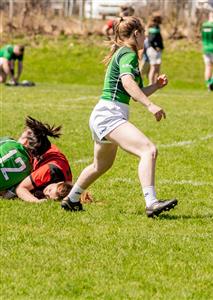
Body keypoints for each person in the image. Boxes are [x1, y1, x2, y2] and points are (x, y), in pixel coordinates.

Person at [61, 16, 177, 218]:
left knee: (101, 165)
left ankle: (71, 199)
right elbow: (127, 83)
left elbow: (134, 90)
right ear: (136, 34)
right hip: (109, 115)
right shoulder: (128, 54)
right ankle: (151, 203)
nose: (146, 38)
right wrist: (150, 106)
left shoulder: (124, 53)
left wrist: (156, 86)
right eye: (144, 34)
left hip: (103, 114)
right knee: (148, 150)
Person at [14, 116, 73, 203]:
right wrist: (36, 201)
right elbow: (20, 189)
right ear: (59, 183)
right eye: (49, 190)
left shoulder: (65, 187)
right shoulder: (48, 171)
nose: (46, 192)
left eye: (47, 196)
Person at [140, 14, 164, 84]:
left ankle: (156, 83)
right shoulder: (153, 27)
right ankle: (151, 83)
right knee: (153, 68)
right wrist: (155, 47)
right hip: (153, 50)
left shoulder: (155, 27)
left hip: (153, 50)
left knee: (157, 68)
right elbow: (151, 40)